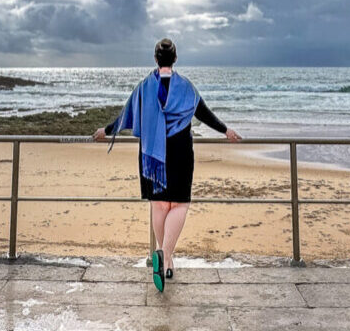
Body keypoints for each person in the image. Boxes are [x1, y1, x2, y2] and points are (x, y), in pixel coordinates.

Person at [93, 38, 241, 291]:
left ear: (155, 59)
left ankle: (164, 257)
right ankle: (166, 256)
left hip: (153, 154)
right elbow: (204, 114)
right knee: (180, 203)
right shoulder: (185, 88)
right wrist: (226, 130)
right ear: (175, 59)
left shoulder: (144, 87)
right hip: (181, 149)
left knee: (160, 205)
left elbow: (126, 114)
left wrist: (106, 131)